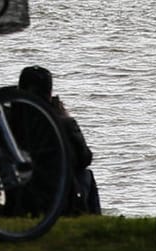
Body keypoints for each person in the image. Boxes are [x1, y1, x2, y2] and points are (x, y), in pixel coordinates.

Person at [15, 65, 100, 215]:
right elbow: (85, 158)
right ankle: (91, 218)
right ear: (49, 93)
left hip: (16, 197)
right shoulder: (62, 123)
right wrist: (66, 118)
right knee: (85, 174)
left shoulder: (8, 120)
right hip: (56, 197)